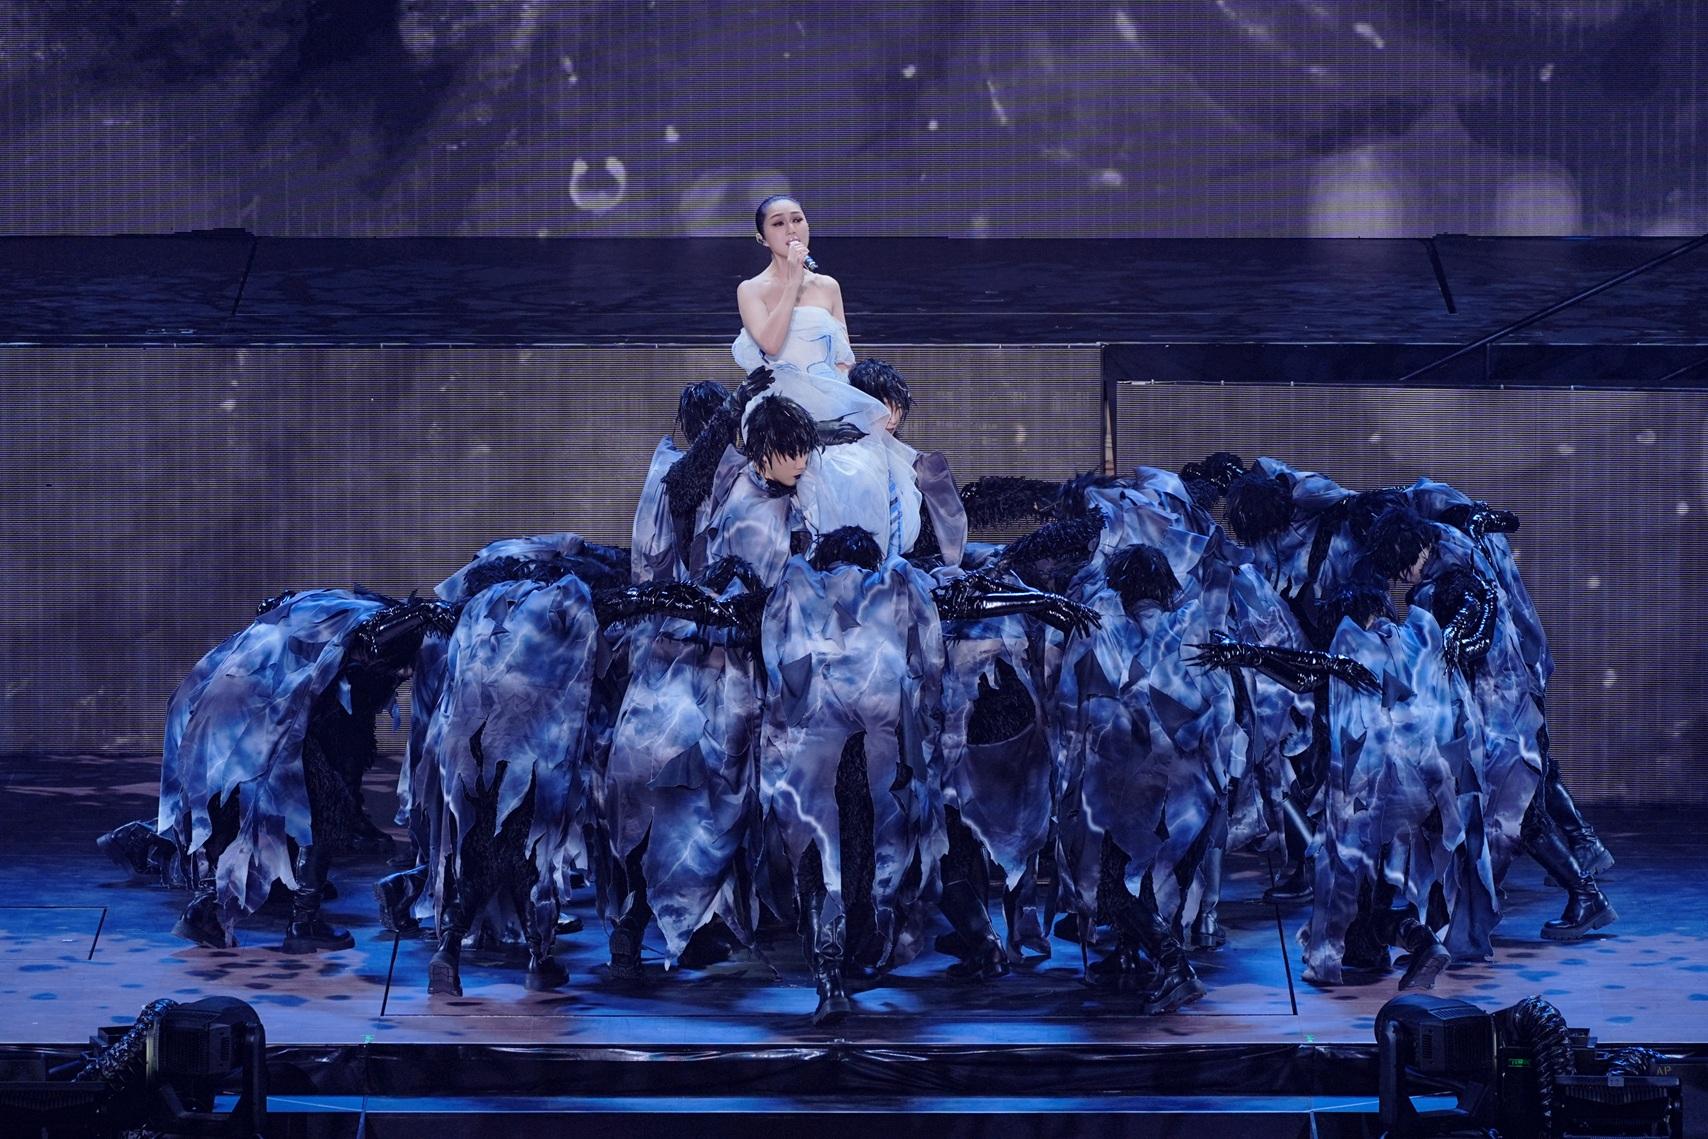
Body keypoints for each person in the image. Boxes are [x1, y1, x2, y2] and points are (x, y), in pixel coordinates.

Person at [733, 196, 922, 556]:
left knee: (861, 467)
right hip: (780, 407)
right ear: (762, 238)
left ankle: (862, 560)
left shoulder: (828, 287)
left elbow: (843, 359)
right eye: (778, 223)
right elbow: (771, 344)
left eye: (797, 220)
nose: (791, 229)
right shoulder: (751, 290)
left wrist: (854, 406)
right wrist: (792, 281)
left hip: (829, 396)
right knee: (810, 467)